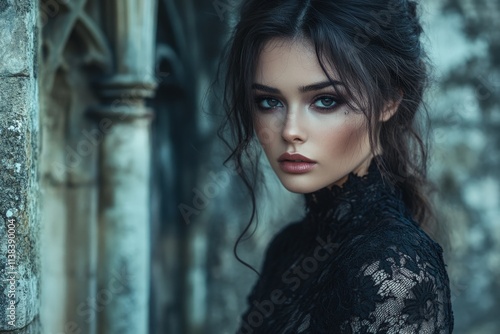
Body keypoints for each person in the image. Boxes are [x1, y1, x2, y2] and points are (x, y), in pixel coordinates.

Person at [218, 0, 454, 332]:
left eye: (325, 100)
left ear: (389, 101)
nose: (290, 130)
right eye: (269, 101)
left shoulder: (393, 273)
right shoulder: (289, 247)